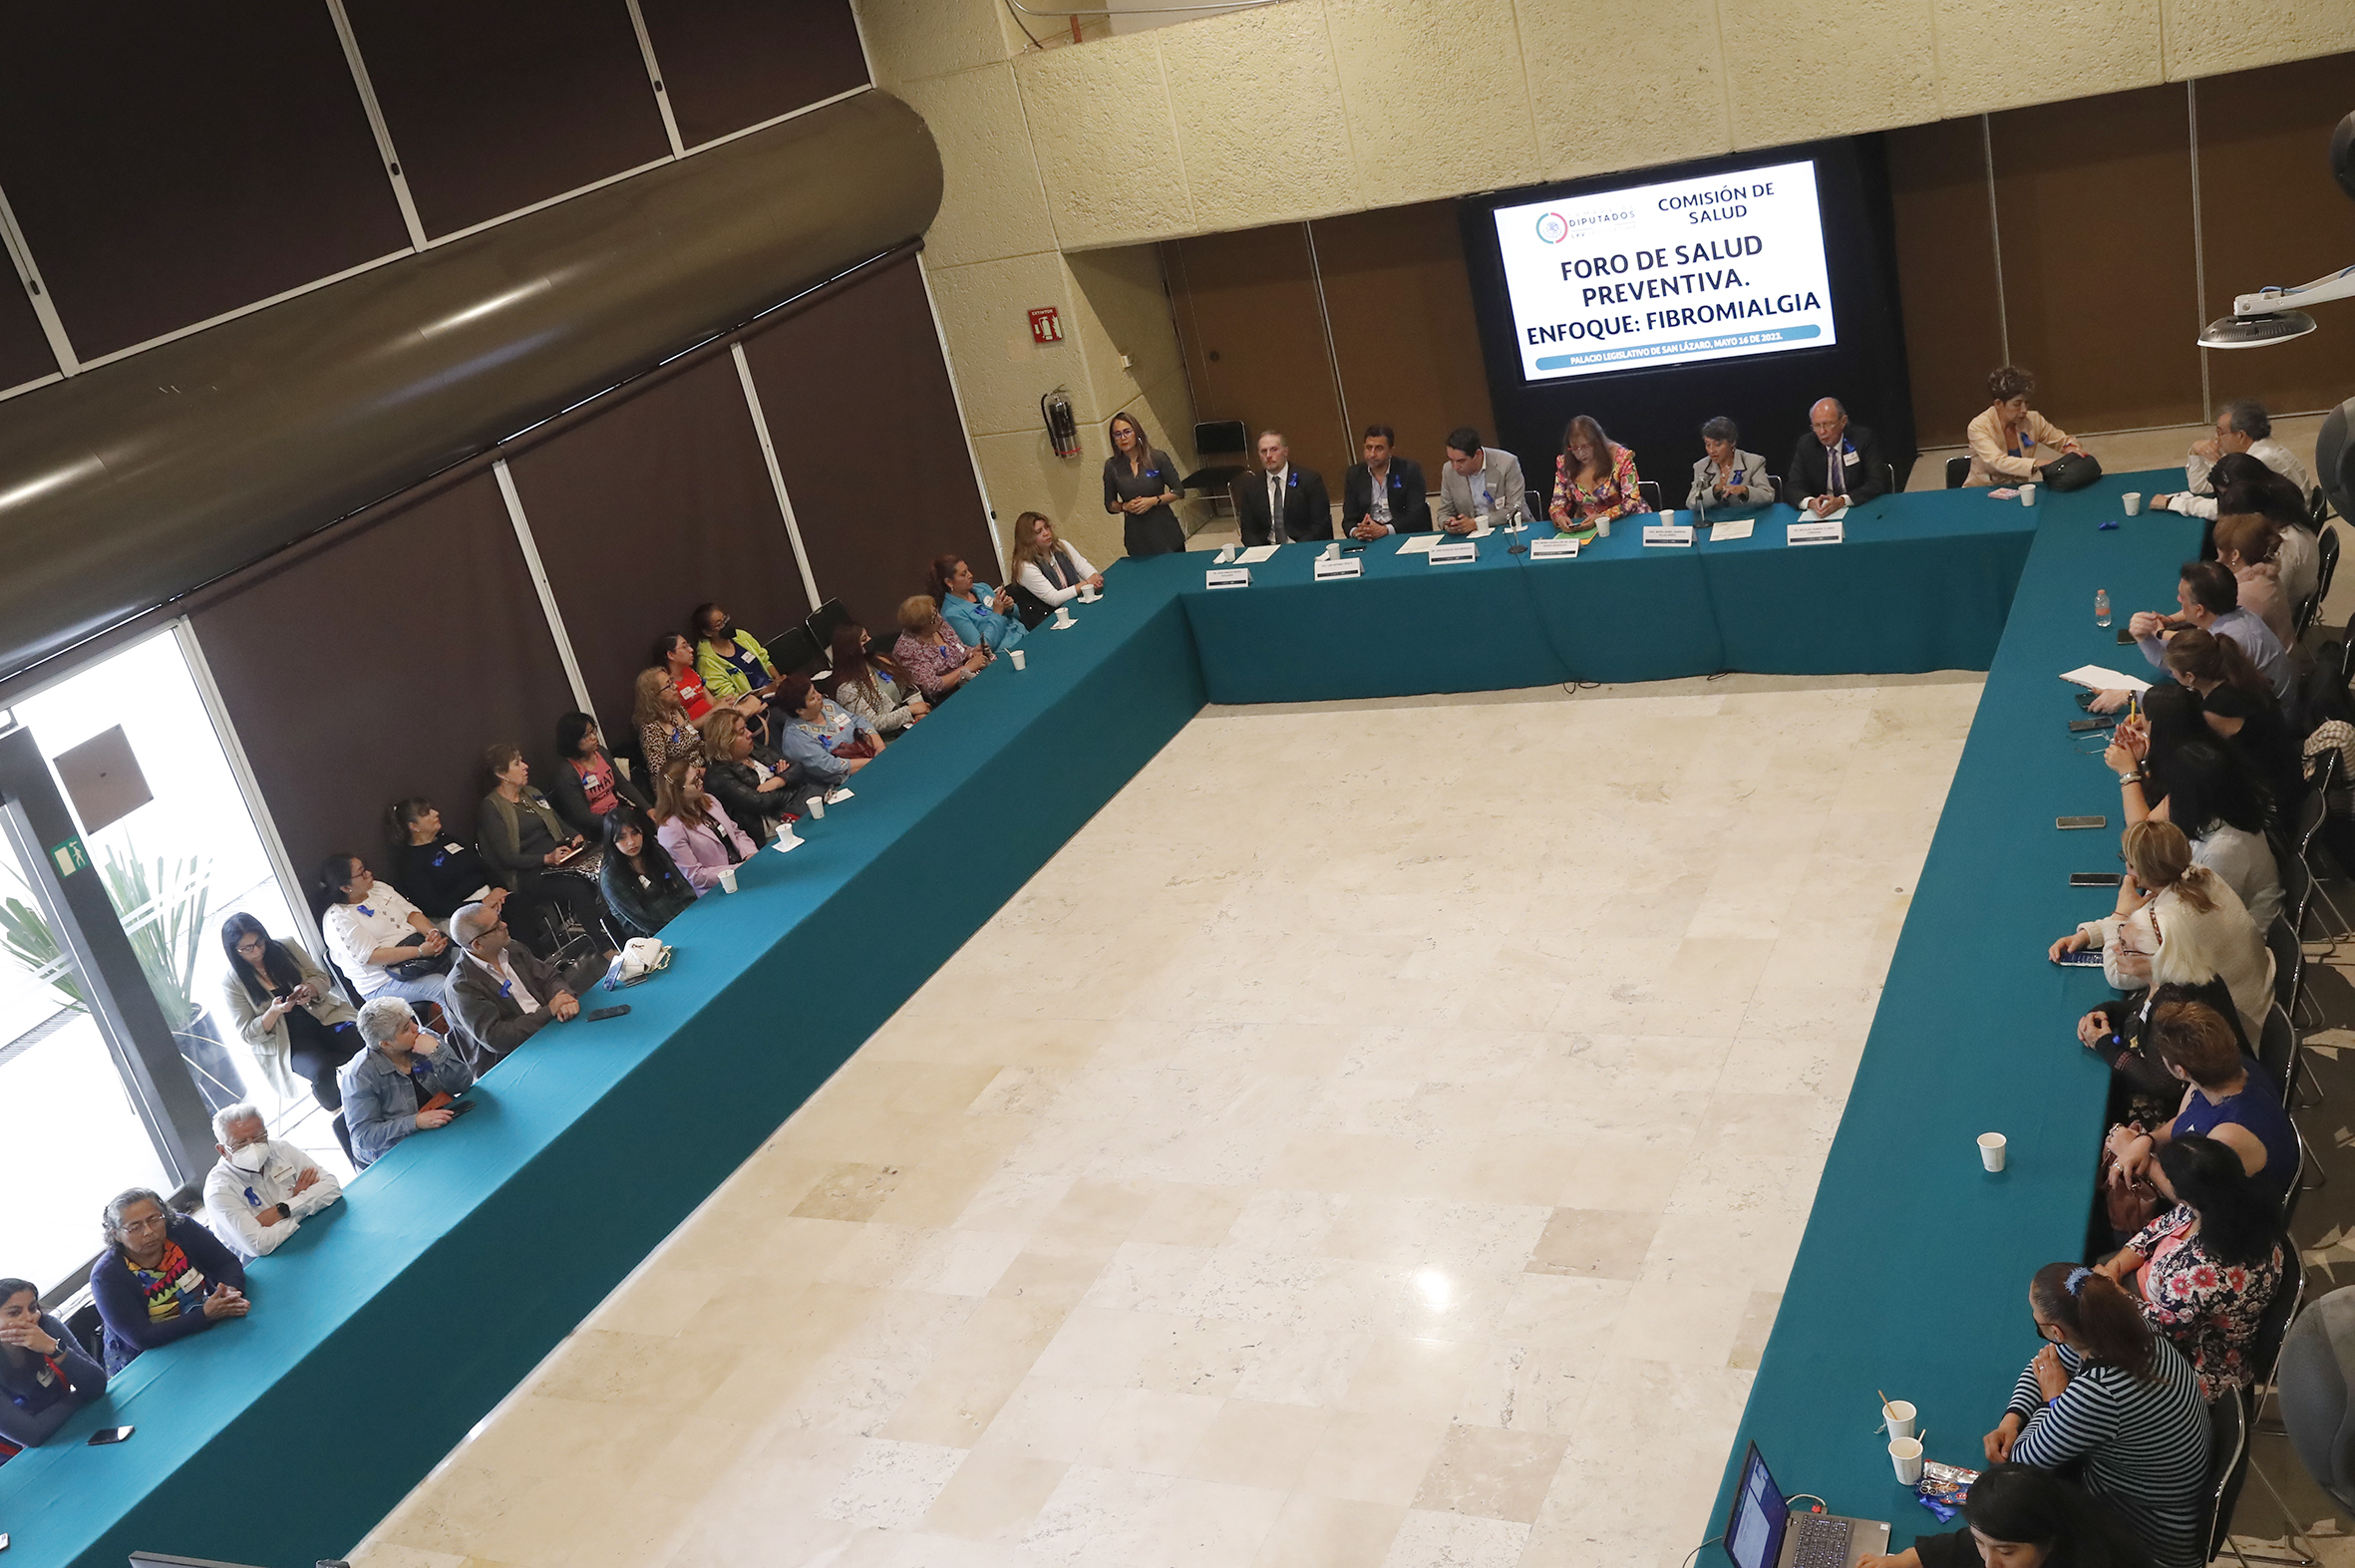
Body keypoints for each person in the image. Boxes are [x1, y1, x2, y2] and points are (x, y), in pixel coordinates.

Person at [1984, 1264, 2208, 1568]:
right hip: (2173, 1498)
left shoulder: (2099, 1392)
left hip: (2148, 1536)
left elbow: (2022, 1462)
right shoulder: (2131, 1327)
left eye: (2038, 1323)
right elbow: (2045, 1363)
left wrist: (2054, 1399)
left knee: (2008, 1507)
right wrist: (2012, 1418)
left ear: (2057, 1331)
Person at [2096, 1132, 2283, 1400]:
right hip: (2156, 1297)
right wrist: (2115, 1267)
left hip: (2191, 1359)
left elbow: (2160, 1329)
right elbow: (2155, 1230)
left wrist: (2110, 1289)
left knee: (2086, 1335)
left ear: (2185, 1194)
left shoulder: (2205, 1272)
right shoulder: (2218, 1199)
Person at [2049, 819, 2270, 1042]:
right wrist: (2088, 935)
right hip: (2262, 994)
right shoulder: (2198, 874)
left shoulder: (2165, 923)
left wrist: (2119, 915)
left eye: (2127, 860)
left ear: (2139, 872)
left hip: (2237, 1030)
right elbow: (2140, 919)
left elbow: (2118, 974)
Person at [2109, 997, 2299, 1203]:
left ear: (2180, 1070)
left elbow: (2194, 1203)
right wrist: (2145, 1141)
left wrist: (2144, 1163)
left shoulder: (2229, 1136)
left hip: (2236, 1212)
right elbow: (2183, 1122)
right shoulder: (2220, 1072)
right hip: (2195, 1178)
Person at [2105, 733, 2280, 932]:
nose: (2168, 799)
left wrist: (2121, 917)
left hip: (2235, 936)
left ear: (2188, 797)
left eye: (2173, 791)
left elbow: (2198, 921)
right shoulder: (2222, 805)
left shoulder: (2225, 850)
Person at [1859, 1463, 2152, 1568]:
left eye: (2006, 1552)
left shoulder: (2090, 1557)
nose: (1990, 1563)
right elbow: (1961, 1545)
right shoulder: (2025, 1524)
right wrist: (1899, 1561)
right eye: (1982, 1543)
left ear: (2050, 1541)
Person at [90, 1188, 249, 1375]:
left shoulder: (182, 1228)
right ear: (116, 1234)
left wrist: (230, 1291)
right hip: (150, 1360)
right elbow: (142, 1337)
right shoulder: (106, 1276)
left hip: (205, 1327)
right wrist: (204, 1316)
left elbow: (225, 1263)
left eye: (154, 1219)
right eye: (135, 1227)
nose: (148, 1231)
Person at [219, 912, 359, 1109]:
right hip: (288, 1042)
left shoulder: (286, 947)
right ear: (235, 951)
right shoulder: (233, 982)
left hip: (323, 1019)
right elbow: (248, 1033)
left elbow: (322, 978)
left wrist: (309, 989)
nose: (257, 951)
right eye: (247, 948)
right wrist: (274, 1011)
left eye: (259, 942)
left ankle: (376, 1090)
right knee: (321, 1070)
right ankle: (339, 1112)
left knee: (363, 1040)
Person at [441, 900, 600, 1068]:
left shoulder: (512, 948)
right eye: (496, 926)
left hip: (552, 1027)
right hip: (515, 1059)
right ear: (477, 944)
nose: (504, 925)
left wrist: (564, 999)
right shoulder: (461, 986)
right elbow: (497, 1038)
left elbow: (549, 977)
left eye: (499, 918)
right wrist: (549, 1011)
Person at [2162, 629, 2300, 808]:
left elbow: (2197, 763)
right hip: (2288, 773)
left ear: (2189, 677)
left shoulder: (2214, 712)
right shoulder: (2240, 678)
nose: (2172, 674)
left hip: (2273, 799)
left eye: (2172, 671)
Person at [476, 743, 601, 937]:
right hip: (529, 874)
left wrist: (575, 836)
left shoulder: (532, 792)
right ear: (501, 774)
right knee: (578, 887)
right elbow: (507, 858)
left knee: (603, 862)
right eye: (517, 764)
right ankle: (603, 944)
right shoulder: (492, 807)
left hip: (559, 860)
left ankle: (618, 923)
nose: (525, 766)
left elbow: (558, 822)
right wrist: (546, 858)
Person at [337, 996, 476, 1169]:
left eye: (411, 1020)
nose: (416, 1027)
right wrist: (415, 1122)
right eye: (405, 1029)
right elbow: (364, 1137)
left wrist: (437, 1053)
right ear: (386, 1044)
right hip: (395, 1153)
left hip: (439, 1127)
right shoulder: (358, 1076)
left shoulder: (425, 1038)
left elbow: (463, 1084)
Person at [2129, 559, 2292, 703]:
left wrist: (2130, 696)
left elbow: (2175, 670)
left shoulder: (2227, 641)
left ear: (2200, 610)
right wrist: (2166, 623)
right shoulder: (2238, 615)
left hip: (2266, 722)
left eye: (2182, 597)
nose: (2178, 600)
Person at [199, 1101, 344, 1261]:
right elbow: (260, 1244)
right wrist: (303, 1204)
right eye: (240, 1143)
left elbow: (332, 1187)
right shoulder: (219, 1191)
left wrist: (283, 1210)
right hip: (265, 1265)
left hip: (312, 1237)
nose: (253, 1147)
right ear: (222, 1150)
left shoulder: (281, 1150)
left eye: (259, 1138)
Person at [316, 854, 451, 1003]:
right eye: (362, 873)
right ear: (346, 888)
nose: (369, 874)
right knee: (444, 988)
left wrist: (431, 933)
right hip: (384, 980)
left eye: (366, 868)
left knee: (464, 959)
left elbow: (411, 914)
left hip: (419, 955)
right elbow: (372, 956)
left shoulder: (378, 888)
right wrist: (419, 951)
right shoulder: (339, 918)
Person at [0, 1277, 107, 1460]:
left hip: (70, 1427)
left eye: (32, 1308)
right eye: (14, 1313)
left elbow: (97, 1385)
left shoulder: (47, 1327)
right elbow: (32, 1434)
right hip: (18, 1460)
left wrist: (54, 1349)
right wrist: (80, 1396)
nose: (29, 1318)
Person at [2152, 400, 2314, 517]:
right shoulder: (2259, 451)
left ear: (2241, 435)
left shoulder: (2259, 462)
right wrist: (2195, 452)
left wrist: (2171, 503)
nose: (2216, 438)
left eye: (2220, 432)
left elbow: (2226, 509)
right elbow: (2200, 486)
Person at [699, 707, 815, 837]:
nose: (750, 733)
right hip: (772, 829)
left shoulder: (753, 750)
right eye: (742, 732)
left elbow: (797, 766)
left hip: (795, 808)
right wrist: (790, 782)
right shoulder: (718, 775)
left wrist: (778, 781)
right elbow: (761, 803)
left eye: (746, 728)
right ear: (725, 740)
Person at [1965, 366, 2088, 486]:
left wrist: (2069, 447)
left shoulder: (2033, 419)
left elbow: (2063, 441)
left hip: (2020, 489)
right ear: (1998, 404)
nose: (2024, 410)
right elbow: (1998, 461)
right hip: (1982, 490)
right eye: (2017, 404)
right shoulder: (1978, 426)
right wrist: (2037, 463)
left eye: (2026, 402)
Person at [386, 797, 502, 922]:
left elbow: (483, 866)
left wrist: (499, 889)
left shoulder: (447, 839)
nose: (436, 813)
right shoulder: (410, 862)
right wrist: (481, 904)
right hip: (461, 912)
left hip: (492, 896)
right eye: (427, 813)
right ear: (414, 827)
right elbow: (432, 906)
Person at [652, 758, 756, 894]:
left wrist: (750, 855)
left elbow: (736, 833)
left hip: (745, 871)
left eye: (698, 776)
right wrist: (739, 869)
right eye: (694, 782)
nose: (701, 782)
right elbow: (696, 876)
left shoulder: (710, 800)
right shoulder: (670, 830)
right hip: (719, 890)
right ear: (677, 792)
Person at [545, 713, 650, 838]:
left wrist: (647, 808)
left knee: (649, 829)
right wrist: (616, 824)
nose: (594, 737)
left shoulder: (601, 752)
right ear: (573, 741)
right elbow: (582, 816)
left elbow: (622, 783)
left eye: (593, 731)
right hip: (598, 826)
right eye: (586, 735)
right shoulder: (566, 773)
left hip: (618, 811)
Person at [774, 673, 881, 791]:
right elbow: (830, 766)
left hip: (869, 756)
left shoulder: (827, 705)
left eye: (815, 691)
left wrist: (879, 747)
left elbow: (858, 721)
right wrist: (874, 763)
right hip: (842, 785)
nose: (819, 696)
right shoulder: (796, 738)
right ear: (800, 710)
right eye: (812, 698)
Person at [691, 602, 791, 730]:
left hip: (775, 692)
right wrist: (765, 691)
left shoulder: (740, 636)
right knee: (788, 717)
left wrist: (778, 680)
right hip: (755, 709)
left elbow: (765, 660)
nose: (725, 625)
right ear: (708, 632)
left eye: (725, 619)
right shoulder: (708, 663)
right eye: (719, 624)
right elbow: (730, 700)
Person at [597, 808, 695, 939]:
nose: (631, 842)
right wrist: (684, 926)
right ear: (612, 842)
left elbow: (683, 888)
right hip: (654, 937)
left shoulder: (655, 851)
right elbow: (645, 922)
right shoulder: (611, 878)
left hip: (683, 917)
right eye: (621, 838)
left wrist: (695, 912)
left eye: (635, 833)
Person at [1101, 411, 1185, 557]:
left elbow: (1178, 491)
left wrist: (1152, 501)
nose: (1123, 438)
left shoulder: (1157, 458)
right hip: (1137, 537)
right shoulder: (1111, 466)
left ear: (1137, 432)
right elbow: (1110, 504)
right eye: (1118, 434)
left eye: (1127, 432)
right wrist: (1124, 506)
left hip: (1166, 533)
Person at [1547, 415, 1647, 538]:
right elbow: (1557, 503)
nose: (1581, 453)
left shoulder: (1620, 458)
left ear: (1597, 442)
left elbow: (1632, 500)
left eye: (1586, 446)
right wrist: (1559, 516)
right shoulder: (1565, 464)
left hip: (1627, 522)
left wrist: (1602, 517)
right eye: (1575, 448)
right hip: (1590, 527)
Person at [1788, 398, 1889, 515]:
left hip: (1859, 508)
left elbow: (1877, 482)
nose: (1822, 432)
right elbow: (1792, 487)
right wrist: (1810, 502)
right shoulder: (1806, 444)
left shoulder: (1863, 439)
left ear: (1843, 421)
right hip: (1823, 513)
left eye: (1827, 424)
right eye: (1817, 426)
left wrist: (1842, 501)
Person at [1233, 429, 1332, 546]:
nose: (1268, 455)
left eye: (1274, 449)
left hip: (1301, 545)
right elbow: (1248, 531)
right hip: (1267, 548)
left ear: (1285, 451)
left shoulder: (1310, 480)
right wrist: (1261, 551)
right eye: (1263, 451)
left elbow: (1320, 525)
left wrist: (1297, 549)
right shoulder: (1251, 485)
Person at [827, 622, 926, 736]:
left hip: (913, 722)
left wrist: (920, 712)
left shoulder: (878, 661)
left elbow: (909, 689)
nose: (870, 639)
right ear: (851, 649)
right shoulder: (846, 689)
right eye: (864, 639)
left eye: (868, 635)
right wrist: (910, 710)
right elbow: (872, 723)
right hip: (891, 737)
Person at [2210, 511, 2293, 647]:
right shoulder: (2265, 575)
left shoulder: (2242, 594)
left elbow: (2211, 638)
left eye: (2220, 548)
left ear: (2235, 554)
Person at [892, 595, 989, 702]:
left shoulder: (939, 626)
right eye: (933, 618)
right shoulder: (909, 650)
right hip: (946, 698)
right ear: (921, 627)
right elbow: (932, 686)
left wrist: (971, 652)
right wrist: (968, 668)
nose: (940, 617)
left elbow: (959, 647)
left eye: (936, 611)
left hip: (966, 681)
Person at [1435, 426, 1528, 535]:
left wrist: (1476, 523)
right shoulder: (1448, 470)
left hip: (1510, 528)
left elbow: (1513, 508)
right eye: (1451, 460)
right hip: (1471, 534)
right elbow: (1444, 512)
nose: (1455, 467)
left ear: (1478, 454)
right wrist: (1449, 524)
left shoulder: (1507, 463)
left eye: (1461, 461)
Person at [1343, 425, 1430, 539]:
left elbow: (1416, 514)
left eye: (1379, 448)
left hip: (1401, 534)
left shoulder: (1409, 470)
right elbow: (1348, 518)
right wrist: (1356, 532)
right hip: (1368, 537)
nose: (1372, 454)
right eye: (1368, 448)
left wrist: (1385, 530)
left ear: (1390, 450)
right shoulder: (1354, 474)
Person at [931, 554, 1026, 654]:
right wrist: (997, 614)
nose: (970, 575)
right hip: (1006, 651)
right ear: (949, 582)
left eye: (968, 570)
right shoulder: (952, 613)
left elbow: (1017, 615)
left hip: (1023, 634)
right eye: (963, 574)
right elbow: (982, 647)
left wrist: (1010, 607)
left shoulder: (982, 588)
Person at [1008, 512, 1105, 608]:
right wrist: (1086, 583)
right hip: (1048, 614)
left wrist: (1094, 579)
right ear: (1027, 539)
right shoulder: (1025, 567)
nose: (1046, 533)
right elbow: (1054, 598)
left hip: (1074, 605)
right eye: (1038, 532)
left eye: (1046, 527)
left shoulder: (1061, 546)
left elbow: (1083, 567)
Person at [1686, 417, 1776, 512]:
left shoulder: (1753, 462)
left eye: (1718, 444)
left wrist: (1744, 490)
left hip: (1748, 516)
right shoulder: (1701, 466)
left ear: (1732, 442)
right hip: (1714, 519)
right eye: (1707, 444)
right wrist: (1715, 490)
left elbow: (1768, 495)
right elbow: (1691, 502)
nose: (1711, 450)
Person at [634, 665, 707, 781]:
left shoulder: (677, 709)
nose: (676, 686)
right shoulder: (651, 728)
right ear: (655, 696)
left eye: (672, 681)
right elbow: (661, 773)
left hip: (702, 767)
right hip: (681, 782)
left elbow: (696, 743)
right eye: (669, 685)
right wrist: (696, 773)